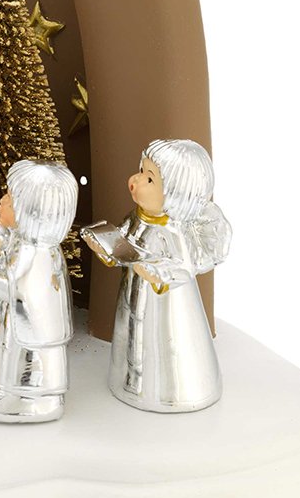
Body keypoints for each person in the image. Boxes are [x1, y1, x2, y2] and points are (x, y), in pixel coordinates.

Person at [85, 138, 230, 412]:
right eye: (141, 171)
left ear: (176, 194)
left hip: (170, 306)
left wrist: (155, 273)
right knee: (134, 337)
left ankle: (178, 390)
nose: (136, 180)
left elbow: (182, 269)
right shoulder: (137, 217)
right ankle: (129, 382)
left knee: (167, 343)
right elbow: (124, 246)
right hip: (135, 296)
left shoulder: (173, 231)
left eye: (149, 179)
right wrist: (107, 247)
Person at [0, 159, 77, 423]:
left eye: (11, 199)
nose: (2, 201)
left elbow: (17, 290)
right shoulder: (21, 242)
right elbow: (8, 268)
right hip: (15, 323)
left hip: (34, 331)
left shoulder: (39, 253)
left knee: (25, 360)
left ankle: (35, 399)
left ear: (33, 213)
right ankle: (0, 385)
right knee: (7, 351)